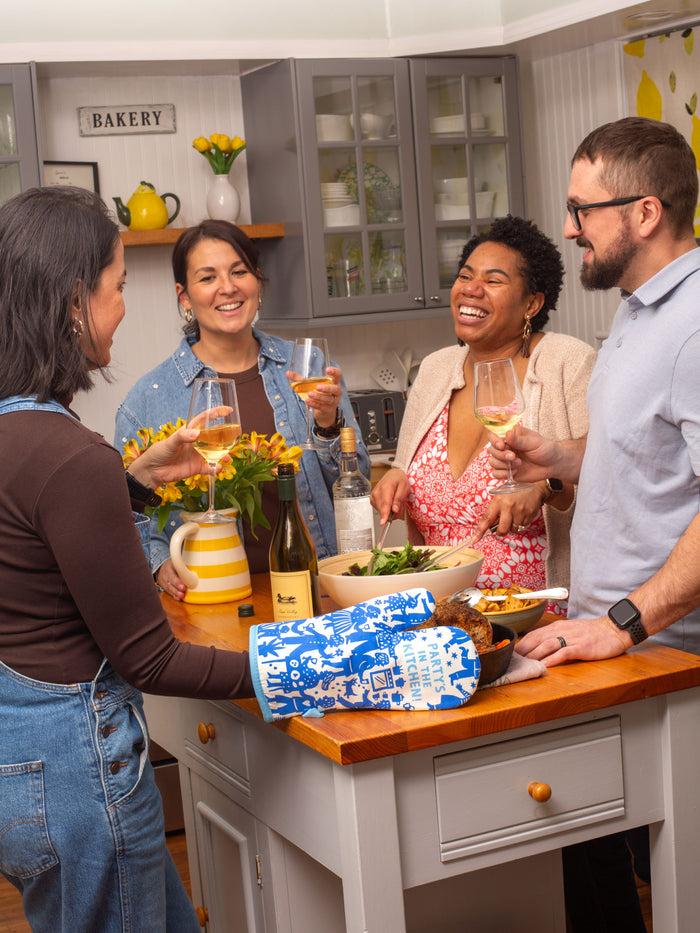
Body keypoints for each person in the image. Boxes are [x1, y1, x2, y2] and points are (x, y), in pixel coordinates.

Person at [490, 116, 700, 932]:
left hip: (669, 662)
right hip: (612, 648)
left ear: (644, 213)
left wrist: (622, 622)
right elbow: (647, 457)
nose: (570, 226)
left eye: (583, 209)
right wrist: (559, 456)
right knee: (600, 874)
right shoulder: (639, 313)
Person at [115, 220, 368, 599]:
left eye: (239, 272)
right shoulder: (148, 399)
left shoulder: (308, 367)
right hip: (213, 596)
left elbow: (356, 484)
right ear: (184, 296)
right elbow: (124, 516)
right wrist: (158, 563)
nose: (228, 287)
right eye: (208, 277)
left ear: (257, 281)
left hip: (319, 588)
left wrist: (328, 425)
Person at [372, 215, 596, 593]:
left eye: (493, 281)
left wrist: (546, 486)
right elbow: (405, 468)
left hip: (540, 612)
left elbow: (608, 471)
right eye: (465, 276)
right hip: (438, 609)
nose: (471, 289)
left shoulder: (567, 362)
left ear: (532, 303)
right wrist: (397, 478)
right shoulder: (435, 369)